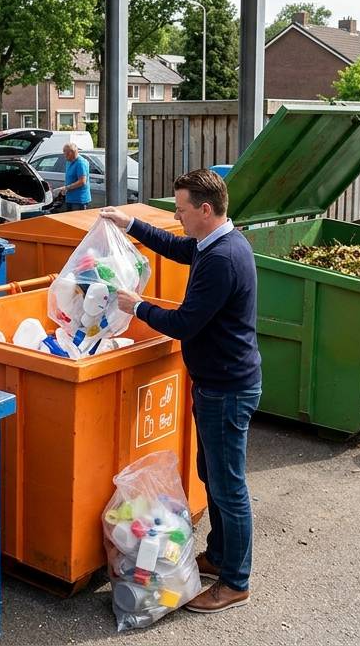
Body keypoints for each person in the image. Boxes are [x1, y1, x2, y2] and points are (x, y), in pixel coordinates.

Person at [100, 169, 261, 614]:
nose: (178, 217)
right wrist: (128, 223)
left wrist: (138, 307)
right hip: (219, 383)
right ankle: (221, 555)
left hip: (227, 389)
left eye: (182, 210)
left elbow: (185, 323)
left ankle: (236, 581)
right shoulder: (216, 244)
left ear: (205, 210)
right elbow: (177, 246)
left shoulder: (223, 259)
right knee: (213, 476)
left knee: (229, 487)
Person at [56, 142, 91, 211]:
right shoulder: (69, 161)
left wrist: (66, 188)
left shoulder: (81, 163)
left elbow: (82, 181)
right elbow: (70, 178)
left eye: (65, 152)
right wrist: (65, 189)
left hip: (79, 200)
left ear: (71, 152)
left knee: (77, 220)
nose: (64, 155)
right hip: (70, 198)